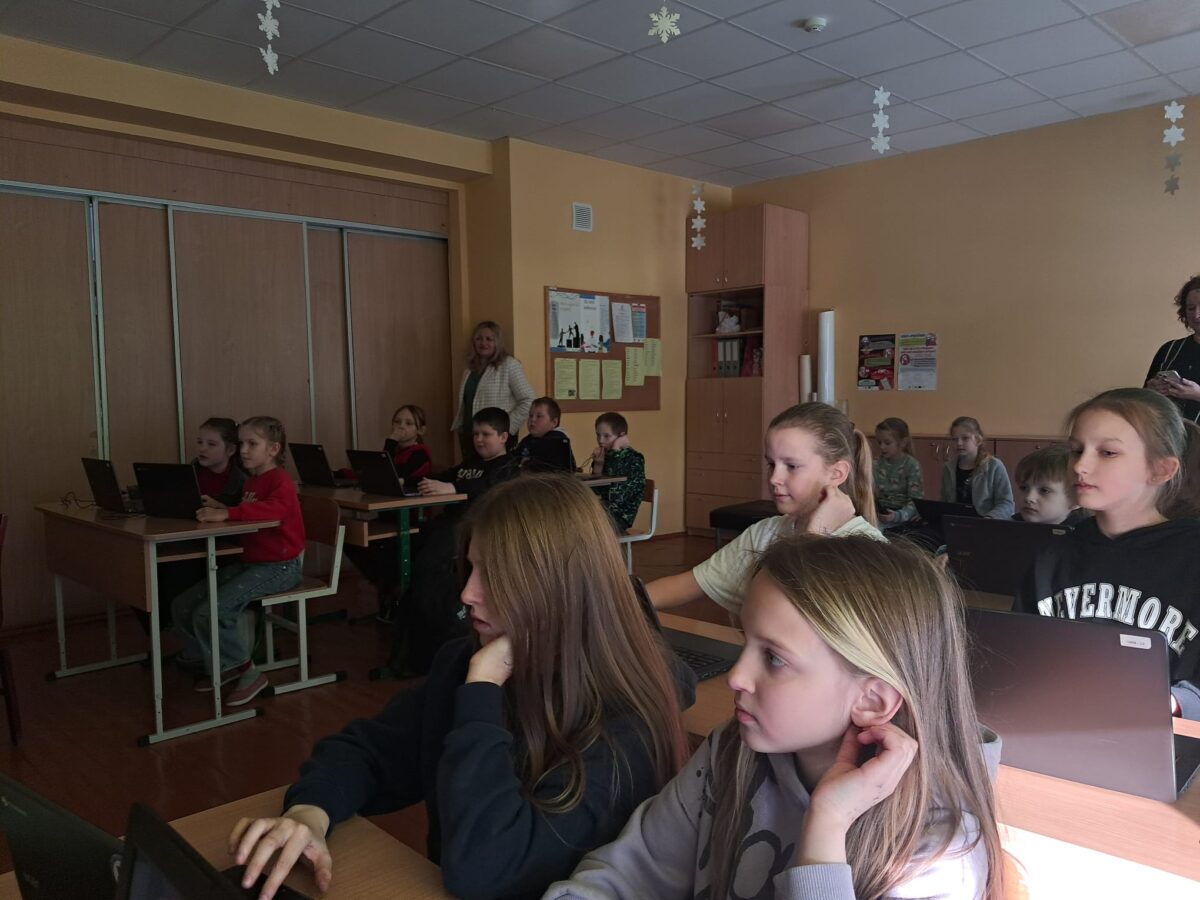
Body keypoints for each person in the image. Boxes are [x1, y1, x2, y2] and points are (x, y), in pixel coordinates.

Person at [226, 474, 695, 900]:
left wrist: (482, 692)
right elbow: (370, 750)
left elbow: (485, 870)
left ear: (558, 589)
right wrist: (311, 811)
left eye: (494, 575)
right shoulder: (464, 663)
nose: (467, 593)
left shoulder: (624, 722)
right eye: (470, 568)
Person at [546, 533, 1005, 900]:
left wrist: (826, 826)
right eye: (745, 641)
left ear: (872, 701)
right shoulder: (732, 751)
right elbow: (627, 874)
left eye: (774, 658)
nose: (736, 676)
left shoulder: (940, 851)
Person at [1015, 388, 1200, 720]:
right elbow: (1018, 652)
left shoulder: (1192, 555)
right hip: (1059, 723)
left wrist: (1174, 702)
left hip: (1169, 736)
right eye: (1076, 450)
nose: (1080, 465)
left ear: (1160, 470)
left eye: (1108, 453)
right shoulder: (1053, 555)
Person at [648, 402, 883, 614]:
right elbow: (689, 585)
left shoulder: (869, 550)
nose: (773, 478)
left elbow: (794, 624)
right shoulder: (764, 533)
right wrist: (628, 603)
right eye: (771, 464)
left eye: (791, 466)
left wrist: (813, 536)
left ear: (836, 473)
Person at [175, 416, 304, 707]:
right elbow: (251, 510)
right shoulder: (253, 481)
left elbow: (274, 510)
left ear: (273, 449)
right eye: (242, 443)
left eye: (252, 444)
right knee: (183, 605)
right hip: (253, 563)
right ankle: (222, 663)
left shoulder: (279, 480)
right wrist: (225, 507)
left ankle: (248, 672)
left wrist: (228, 513)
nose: (243, 450)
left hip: (280, 567)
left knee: (211, 611)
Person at [343, 404, 434, 620]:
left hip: (410, 518)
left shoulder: (420, 454)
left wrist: (390, 443)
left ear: (420, 430)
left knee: (379, 549)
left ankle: (391, 589)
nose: (401, 427)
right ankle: (385, 586)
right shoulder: (394, 453)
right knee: (348, 536)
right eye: (397, 422)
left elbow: (391, 475)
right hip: (387, 516)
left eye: (408, 423)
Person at [452, 321, 535, 459]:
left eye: (489, 339)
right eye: (479, 338)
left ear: (497, 342)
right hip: (471, 435)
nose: (483, 343)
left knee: (495, 472)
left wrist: (505, 427)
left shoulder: (509, 365)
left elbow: (529, 400)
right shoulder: (470, 368)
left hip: (496, 439)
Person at [420, 407, 519, 501]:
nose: (478, 439)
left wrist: (453, 487)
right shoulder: (471, 462)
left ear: (503, 437)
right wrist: (421, 483)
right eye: (476, 434)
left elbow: (488, 484)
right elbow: (447, 476)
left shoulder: (508, 466)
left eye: (486, 434)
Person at [1145, 273, 1200, 422]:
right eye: (1191, 308)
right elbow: (1145, 398)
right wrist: (1151, 390)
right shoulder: (1169, 349)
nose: (1196, 315)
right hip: (1168, 432)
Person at [940, 417, 1013, 519]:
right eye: (955, 439)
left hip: (986, 523)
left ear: (978, 440)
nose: (959, 443)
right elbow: (944, 502)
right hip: (956, 523)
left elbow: (1006, 503)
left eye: (965, 438)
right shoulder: (948, 468)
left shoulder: (994, 466)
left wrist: (990, 518)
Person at [590, 412, 645, 534]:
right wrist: (598, 465)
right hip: (601, 512)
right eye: (598, 435)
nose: (600, 440)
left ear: (621, 437)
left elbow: (617, 496)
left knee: (586, 531)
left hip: (620, 517)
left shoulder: (634, 458)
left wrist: (616, 450)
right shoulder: (605, 456)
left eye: (607, 436)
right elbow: (594, 493)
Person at [1011, 447, 1088, 527]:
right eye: (1024, 488)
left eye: (1044, 490)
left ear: (1076, 500)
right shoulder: (1011, 525)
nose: (1029, 498)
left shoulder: (1087, 532)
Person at [873, 417, 922, 527]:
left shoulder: (911, 465)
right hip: (881, 514)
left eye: (887, 443)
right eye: (879, 442)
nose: (882, 447)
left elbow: (915, 502)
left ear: (903, 443)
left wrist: (896, 516)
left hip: (903, 517)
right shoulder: (876, 464)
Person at [515, 397, 576, 472]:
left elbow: (543, 467)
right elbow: (514, 458)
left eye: (539, 416)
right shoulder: (527, 440)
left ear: (554, 422)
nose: (532, 419)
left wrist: (524, 463)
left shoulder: (558, 441)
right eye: (531, 415)